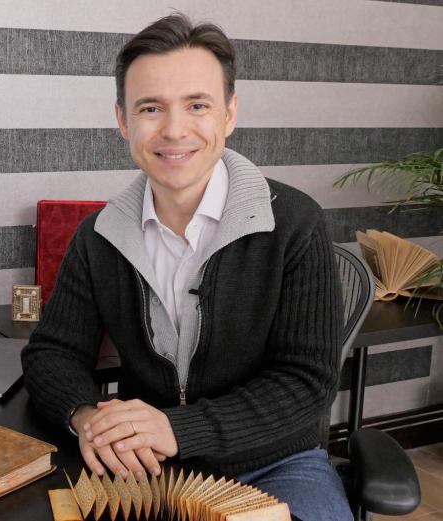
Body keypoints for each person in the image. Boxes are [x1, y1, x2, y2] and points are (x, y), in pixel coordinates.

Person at [21, 13, 349, 521]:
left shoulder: (295, 223)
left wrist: (178, 428)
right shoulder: (99, 236)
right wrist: (85, 418)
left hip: (277, 464)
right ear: (123, 121)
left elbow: (308, 381)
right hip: (149, 469)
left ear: (229, 114)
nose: (174, 131)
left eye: (197, 105)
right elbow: (51, 354)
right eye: (150, 108)